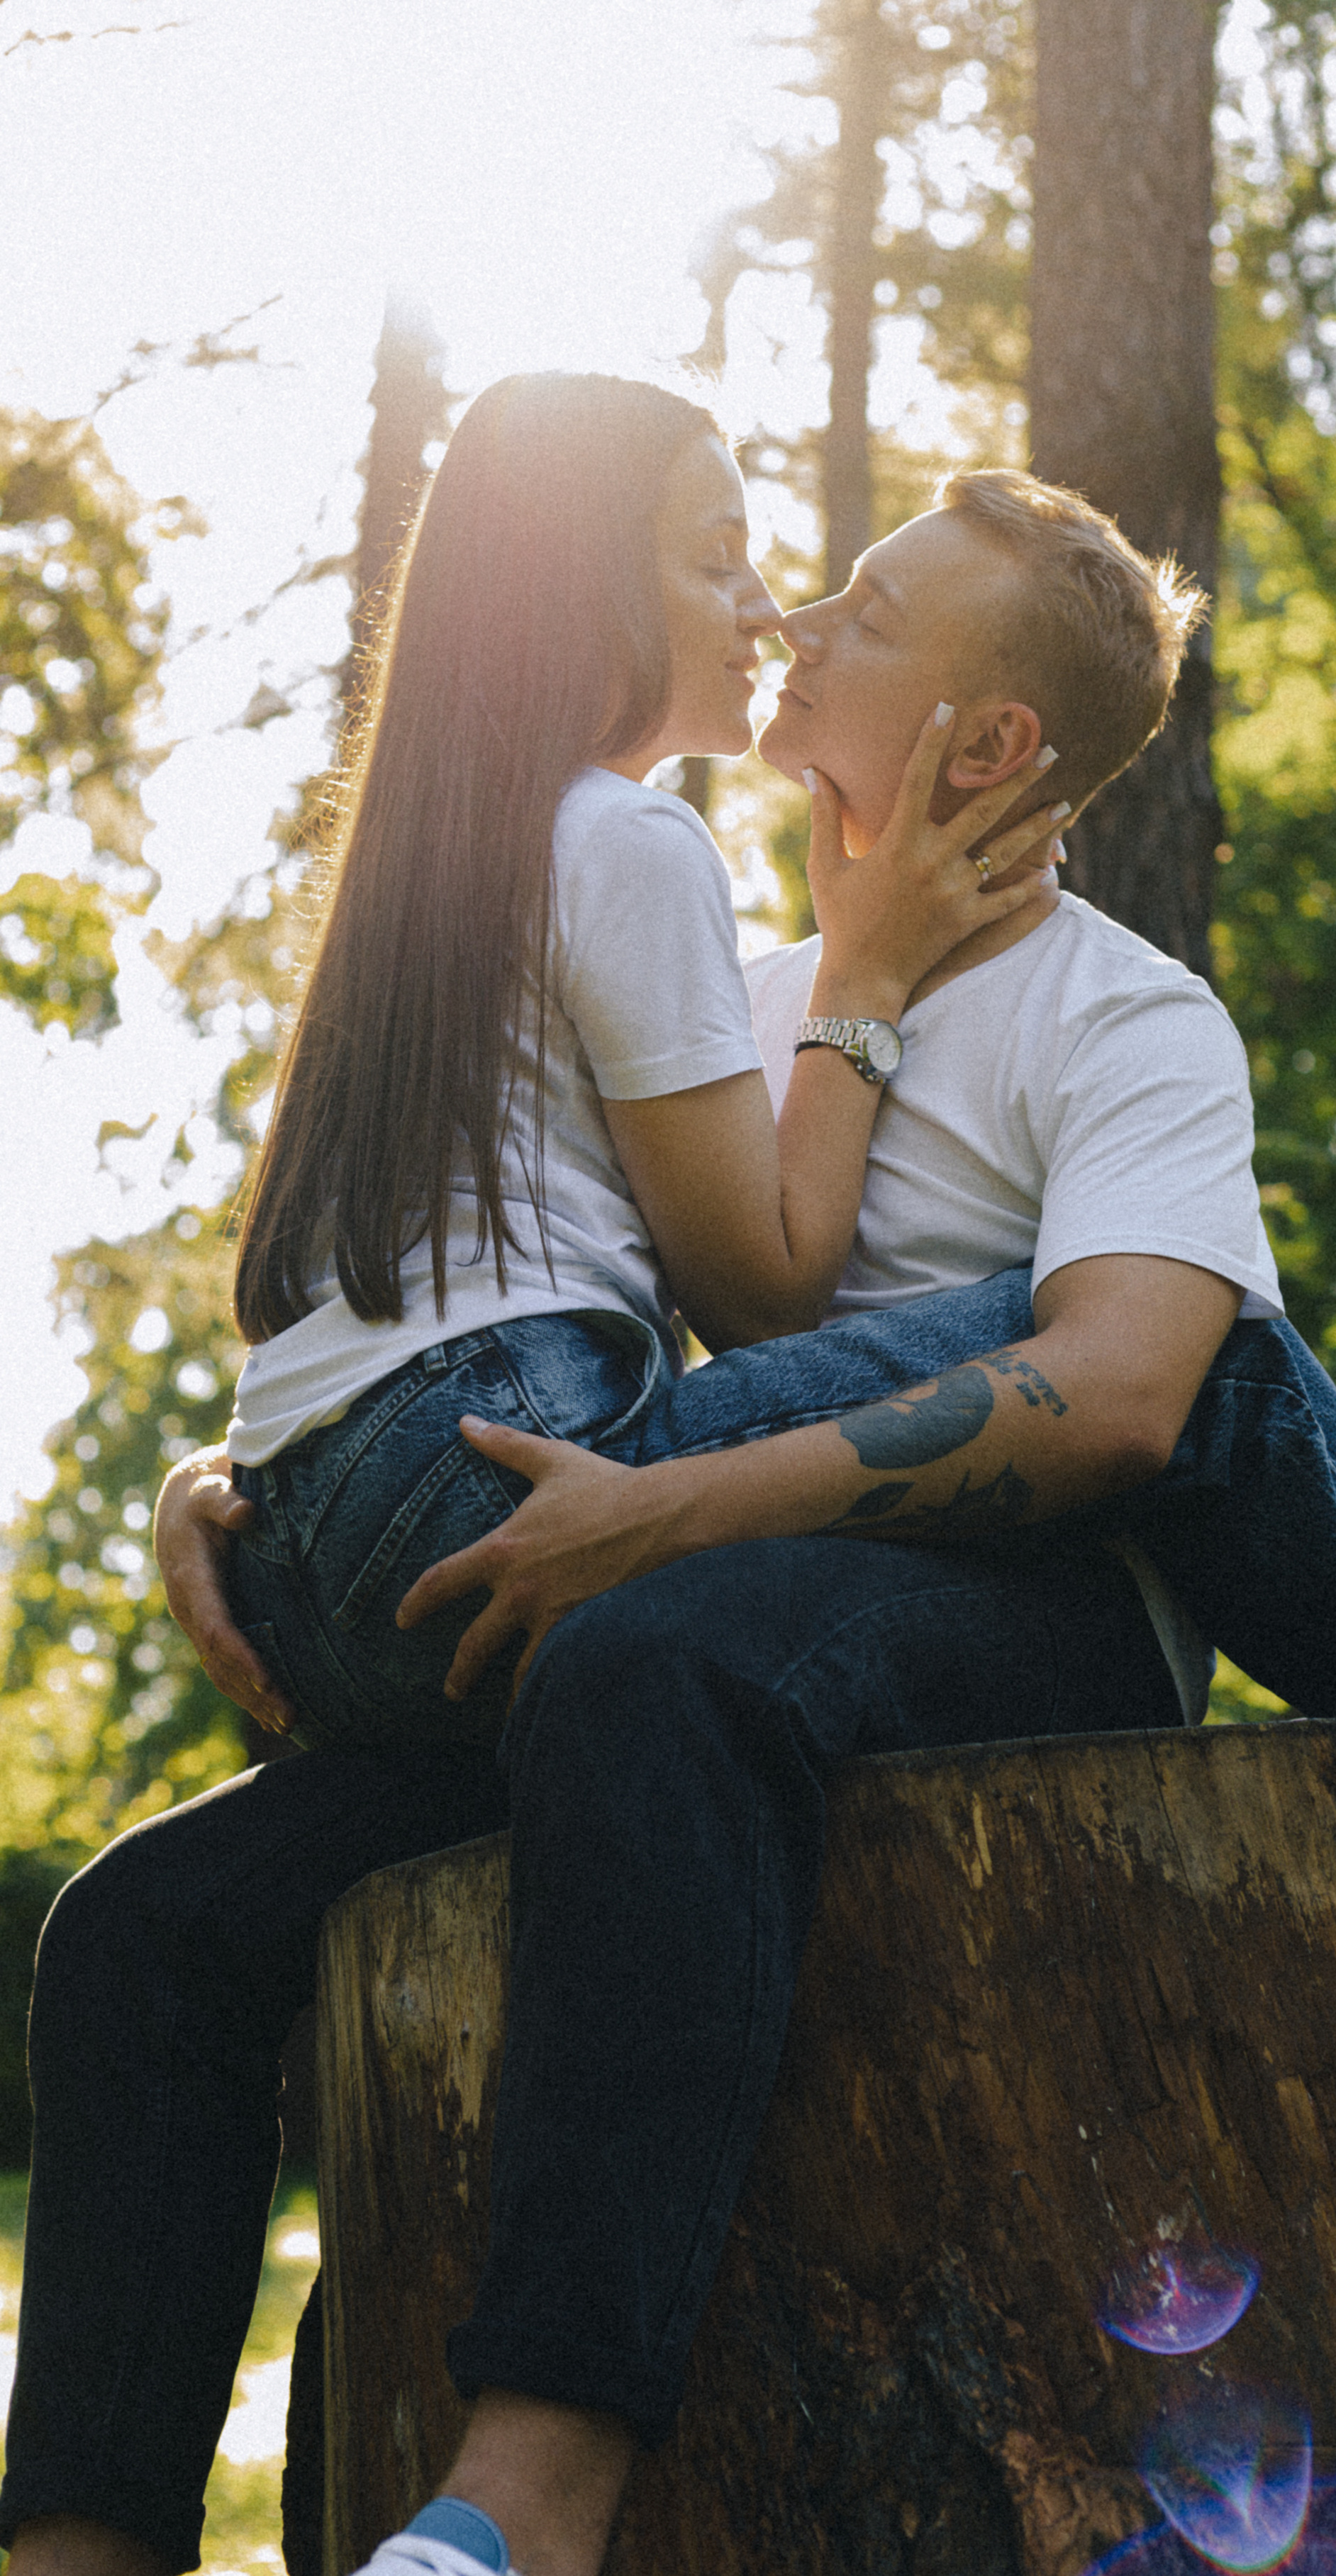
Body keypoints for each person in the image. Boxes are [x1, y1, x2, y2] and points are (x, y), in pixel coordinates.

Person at [6, 472, 1336, 2576]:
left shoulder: (1129, 1022)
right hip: (645, 1616)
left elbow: (1149, 1397)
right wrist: (244, 1476)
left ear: (982, 747)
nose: (789, 620)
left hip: (1014, 1635)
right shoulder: (734, 994)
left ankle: (515, 2569)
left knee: (741, 1612)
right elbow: (491, 1292)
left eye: (855, 608)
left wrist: (661, 1518)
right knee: (147, 1929)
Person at [207, 369, 1065, 1757]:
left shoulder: (435, 864)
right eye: (715, 558)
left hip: (289, 1562)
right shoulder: (631, 839)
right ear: (579, 590)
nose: (767, 609)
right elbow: (768, 1298)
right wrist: (864, 973)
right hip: (485, 1469)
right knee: (1117, 1332)